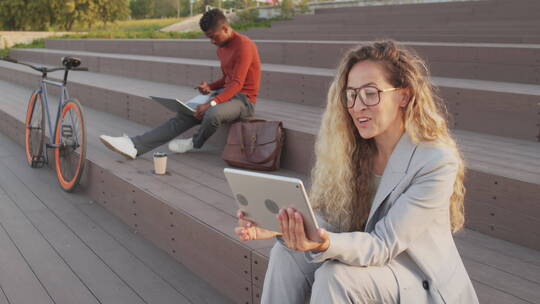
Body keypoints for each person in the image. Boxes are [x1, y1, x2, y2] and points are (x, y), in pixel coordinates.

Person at [235, 40, 479, 303]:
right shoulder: (354, 151)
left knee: (336, 277)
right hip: (372, 265)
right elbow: (336, 222)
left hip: (420, 282)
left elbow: (382, 244)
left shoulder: (435, 160)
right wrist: (279, 226)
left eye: (370, 93)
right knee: (287, 255)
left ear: (404, 96)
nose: (357, 105)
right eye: (351, 94)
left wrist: (322, 243)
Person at [100, 9, 260, 159]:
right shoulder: (221, 47)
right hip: (226, 94)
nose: (211, 42)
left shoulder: (244, 46)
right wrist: (210, 87)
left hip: (243, 101)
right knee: (187, 112)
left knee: (212, 114)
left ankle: (194, 143)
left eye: (213, 36)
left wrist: (211, 103)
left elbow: (237, 84)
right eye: (208, 37)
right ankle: (135, 146)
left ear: (225, 28)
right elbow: (227, 79)